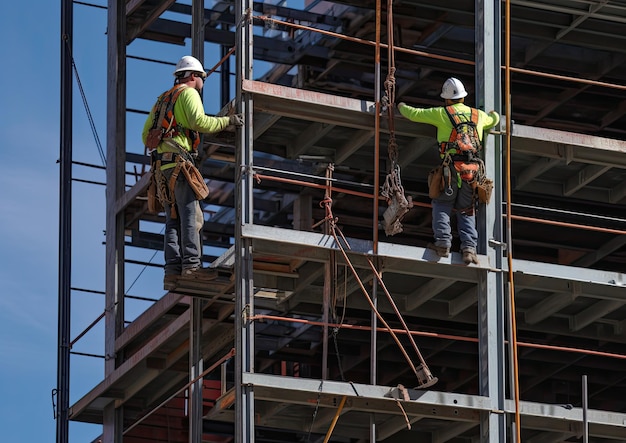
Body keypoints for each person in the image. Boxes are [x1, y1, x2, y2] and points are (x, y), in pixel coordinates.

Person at [142, 55, 244, 289]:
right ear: (193, 76)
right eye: (202, 79)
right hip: (179, 165)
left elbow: (145, 136)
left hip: (162, 170)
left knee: (173, 219)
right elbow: (201, 122)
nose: (202, 84)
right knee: (190, 216)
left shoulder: (161, 100)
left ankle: (172, 271)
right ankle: (191, 267)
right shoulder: (188, 94)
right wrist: (228, 122)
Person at [398, 77, 499, 264]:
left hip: (450, 170)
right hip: (472, 172)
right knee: (467, 209)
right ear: (463, 97)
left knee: (442, 204)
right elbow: (494, 119)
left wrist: (400, 106)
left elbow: (414, 114)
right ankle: (469, 249)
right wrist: (494, 115)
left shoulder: (442, 113)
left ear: (446, 99)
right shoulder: (479, 116)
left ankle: (443, 244)